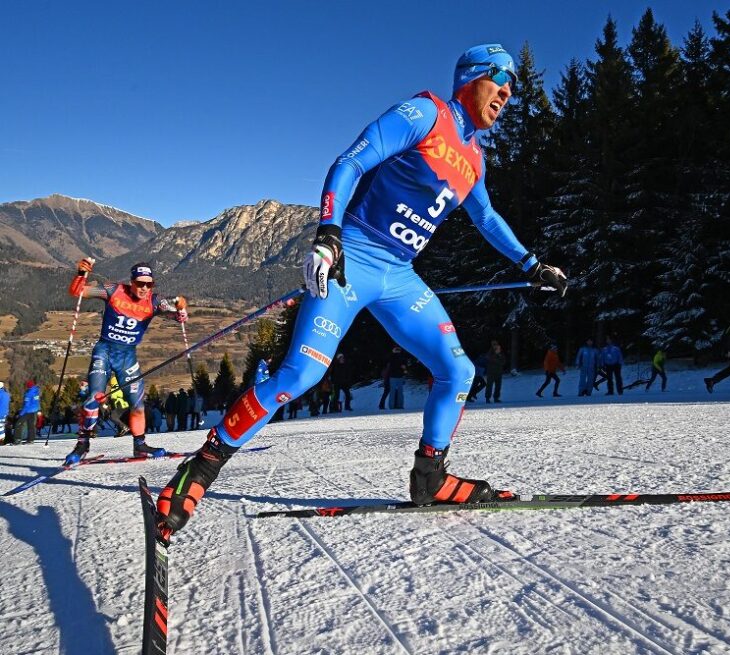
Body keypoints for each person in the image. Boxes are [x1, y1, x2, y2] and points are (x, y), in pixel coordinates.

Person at [155, 43, 567, 542]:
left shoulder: (475, 159)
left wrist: (532, 264)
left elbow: (486, 218)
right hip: (352, 257)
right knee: (300, 373)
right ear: (473, 77)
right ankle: (199, 469)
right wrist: (327, 233)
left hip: (399, 275)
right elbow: (350, 161)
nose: (508, 92)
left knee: (457, 369)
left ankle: (430, 479)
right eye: (500, 79)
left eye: (513, 87)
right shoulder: (424, 113)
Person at [62, 260, 187, 465]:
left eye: (149, 284)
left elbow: (177, 314)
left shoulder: (155, 301)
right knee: (95, 397)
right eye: (140, 283)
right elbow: (78, 292)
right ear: (131, 282)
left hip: (127, 358)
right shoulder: (113, 290)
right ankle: (82, 445)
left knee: (137, 404)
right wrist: (80, 273)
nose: (144, 288)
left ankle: (140, 445)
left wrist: (182, 309)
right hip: (104, 352)